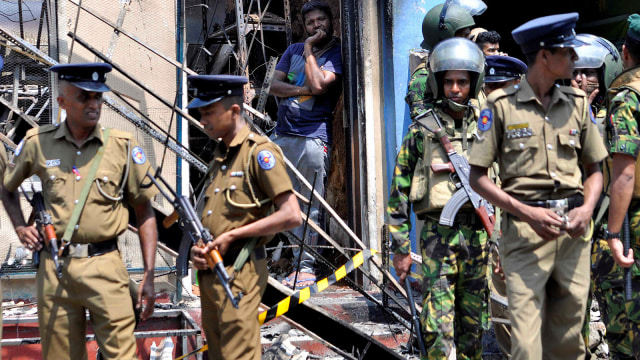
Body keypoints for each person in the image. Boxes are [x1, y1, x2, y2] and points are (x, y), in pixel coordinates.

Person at [468, 13, 608, 359]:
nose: (576, 60)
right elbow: (478, 177)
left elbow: (595, 170)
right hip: (525, 236)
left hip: (573, 234)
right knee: (527, 346)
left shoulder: (577, 106)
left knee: (567, 344)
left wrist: (588, 209)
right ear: (545, 56)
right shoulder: (500, 107)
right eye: (568, 52)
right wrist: (526, 211)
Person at [1, 63, 158, 359]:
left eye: (98, 97)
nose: (93, 104)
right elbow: (7, 187)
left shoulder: (122, 147)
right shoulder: (39, 143)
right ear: (62, 103)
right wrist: (21, 227)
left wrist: (149, 274)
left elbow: (144, 212)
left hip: (106, 268)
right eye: (84, 97)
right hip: (55, 270)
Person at [389, 37, 490, 359]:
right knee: (436, 325)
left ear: (473, 83)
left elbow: (508, 187)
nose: (456, 89)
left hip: (480, 236)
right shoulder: (422, 131)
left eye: (462, 81)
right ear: (438, 83)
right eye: (449, 82)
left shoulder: (488, 128)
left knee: (474, 325)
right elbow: (398, 193)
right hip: (437, 236)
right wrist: (402, 249)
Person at [188, 75, 301, 360]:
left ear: (235, 111)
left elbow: (291, 214)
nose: (204, 120)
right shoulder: (220, 156)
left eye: (209, 112)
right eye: (201, 114)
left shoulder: (258, 153)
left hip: (241, 271)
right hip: (212, 272)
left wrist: (232, 236)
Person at [268, 0, 342, 288]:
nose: (316, 26)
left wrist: (310, 49)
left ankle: (307, 267)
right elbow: (273, 85)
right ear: (304, 25)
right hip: (283, 135)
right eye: (311, 23)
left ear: (330, 22)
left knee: (309, 205)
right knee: (280, 201)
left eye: (321, 20)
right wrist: (301, 89)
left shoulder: (334, 52)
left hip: (313, 137)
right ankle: (292, 260)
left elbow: (321, 85)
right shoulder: (291, 50)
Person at [481, 54, 527, 359]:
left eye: (503, 87)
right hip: (495, 225)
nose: (495, 94)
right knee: (500, 300)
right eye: (490, 87)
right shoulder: (483, 121)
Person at [602, 13, 640, 359]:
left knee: (626, 314)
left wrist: (614, 234)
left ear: (625, 52)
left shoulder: (627, 96)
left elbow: (624, 172)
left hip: (635, 220)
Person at [406, 0, 486, 119]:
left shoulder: (466, 67)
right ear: (446, 38)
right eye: (463, 35)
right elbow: (425, 126)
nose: (468, 40)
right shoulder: (423, 78)